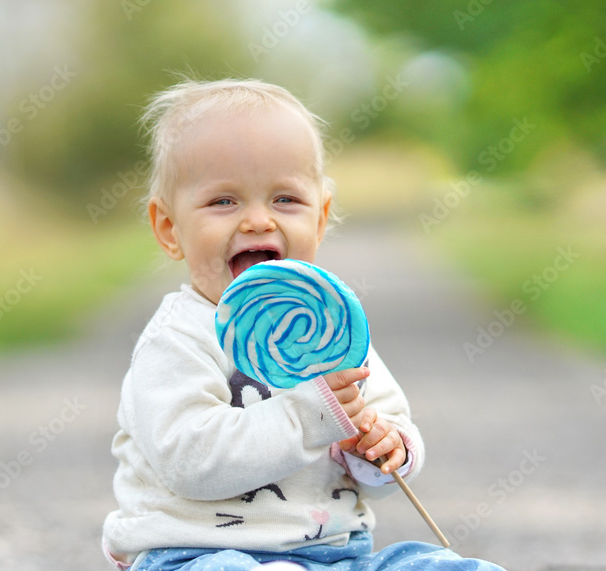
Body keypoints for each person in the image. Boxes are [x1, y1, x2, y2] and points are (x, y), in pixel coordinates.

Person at [102, 78, 504, 571]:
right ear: (169, 228)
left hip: (336, 555)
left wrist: (384, 450)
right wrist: (313, 413)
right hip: (197, 554)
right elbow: (190, 462)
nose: (256, 221)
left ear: (320, 218)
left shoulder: (331, 332)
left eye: (285, 200)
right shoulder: (177, 340)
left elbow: (387, 433)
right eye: (223, 201)